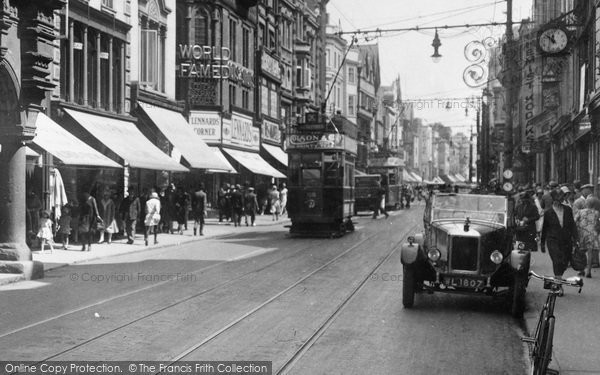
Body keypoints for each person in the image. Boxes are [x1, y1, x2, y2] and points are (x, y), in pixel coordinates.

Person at [541, 189, 578, 295]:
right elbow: (545, 228)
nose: (559, 200)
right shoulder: (548, 213)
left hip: (566, 240)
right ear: (553, 199)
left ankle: (558, 278)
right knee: (557, 260)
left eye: (561, 197)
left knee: (564, 262)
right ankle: (559, 285)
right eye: (557, 198)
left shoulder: (567, 210)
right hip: (553, 240)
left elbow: (572, 225)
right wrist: (543, 243)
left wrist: (576, 239)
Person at [574, 197, 600, 278]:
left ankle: (581, 270)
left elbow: (574, 221)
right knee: (590, 253)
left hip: (582, 234)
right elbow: (597, 223)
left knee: (581, 252)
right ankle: (588, 271)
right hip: (592, 234)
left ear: (586, 203)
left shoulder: (580, 212)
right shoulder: (596, 213)